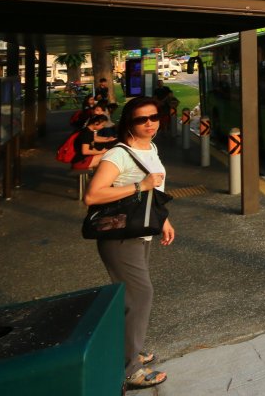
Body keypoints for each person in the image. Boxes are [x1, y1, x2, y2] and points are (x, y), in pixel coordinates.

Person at [84, 96, 174, 390]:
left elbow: (154, 193)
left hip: (140, 232)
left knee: (132, 299)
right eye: (141, 119)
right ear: (128, 123)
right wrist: (139, 184)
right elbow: (93, 195)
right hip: (120, 238)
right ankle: (128, 368)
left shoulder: (151, 147)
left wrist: (163, 220)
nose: (150, 123)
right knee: (140, 296)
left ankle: (129, 351)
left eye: (154, 117)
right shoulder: (118, 155)